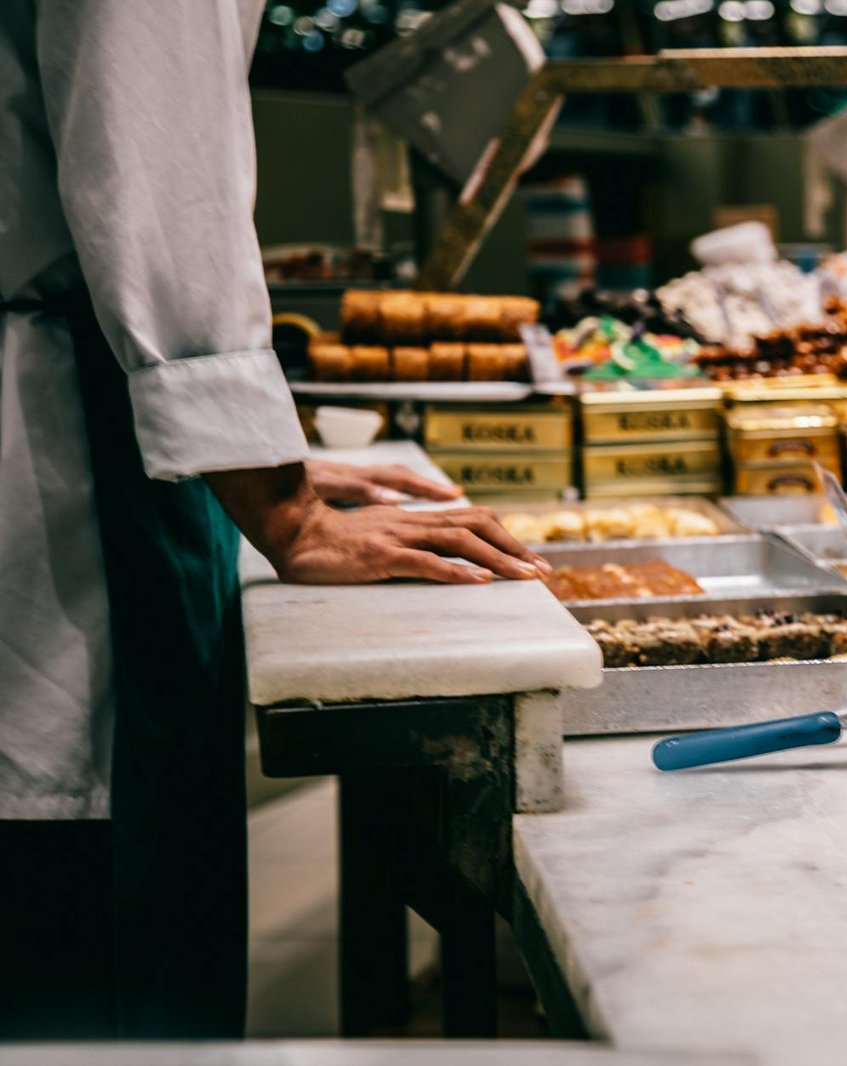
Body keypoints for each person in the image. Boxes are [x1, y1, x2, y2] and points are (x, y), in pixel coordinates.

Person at [0, 1, 551, 1039]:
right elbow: (156, 171)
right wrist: (283, 507)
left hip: (79, 399)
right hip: (50, 462)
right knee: (86, 967)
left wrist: (265, 451)